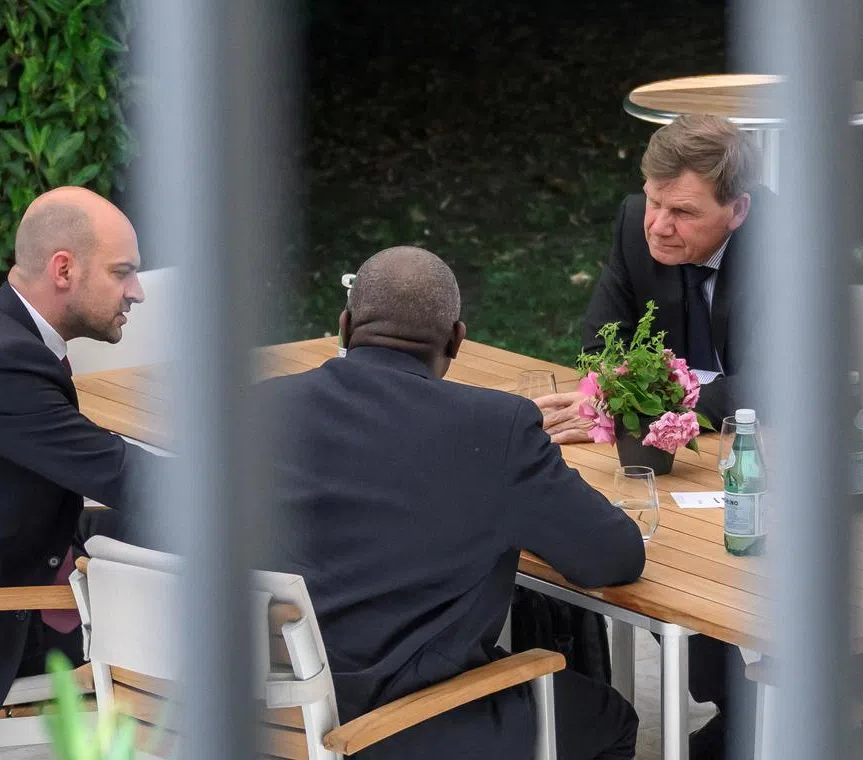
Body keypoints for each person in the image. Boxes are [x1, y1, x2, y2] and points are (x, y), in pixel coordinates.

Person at [260, 246, 645, 760]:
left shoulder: (260, 408)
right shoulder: (494, 428)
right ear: (457, 340)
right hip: (407, 725)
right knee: (606, 717)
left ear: (345, 326)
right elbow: (612, 555)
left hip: (274, 710)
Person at [536, 114, 769, 760]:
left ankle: (748, 711)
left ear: (739, 209)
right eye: (654, 200)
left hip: (769, 454)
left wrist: (658, 408)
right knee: (649, 544)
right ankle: (737, 708)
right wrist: (613, 402)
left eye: (683, 212)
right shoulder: (637, 224)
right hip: (678, 458)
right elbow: (596, 346)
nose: (659, 224)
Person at [0, 186, 163, 752]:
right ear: (63, 269)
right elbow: (124, 477)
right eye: (123, 273)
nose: (137, 292)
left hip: (31, 549)